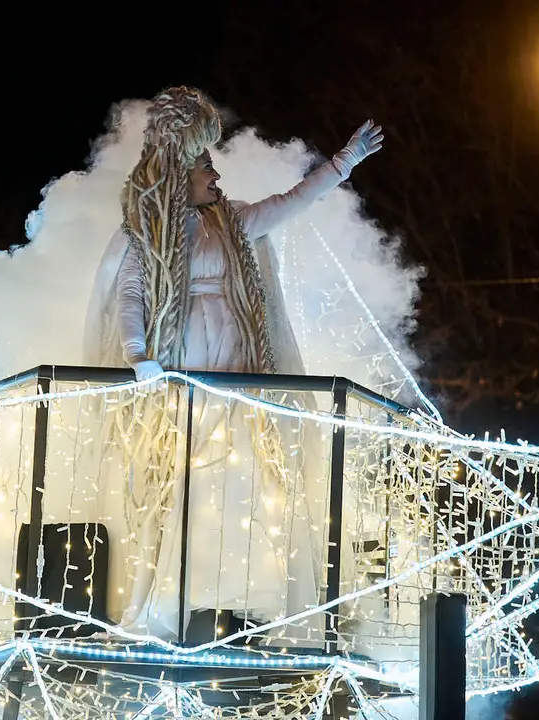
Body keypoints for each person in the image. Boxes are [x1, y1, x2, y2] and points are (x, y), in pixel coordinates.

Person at [83, 86, 383, 643]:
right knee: (186, 485)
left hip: (237, 370)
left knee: (246, 478)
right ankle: (176, 602)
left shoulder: (236, 223)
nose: (215, 178)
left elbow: (293, 200)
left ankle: (249, 599)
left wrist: (344, 163)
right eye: (204, 168)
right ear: (180, 176)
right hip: (185, 373)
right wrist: (139, 357)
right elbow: (130, 296)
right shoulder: (150, 234)